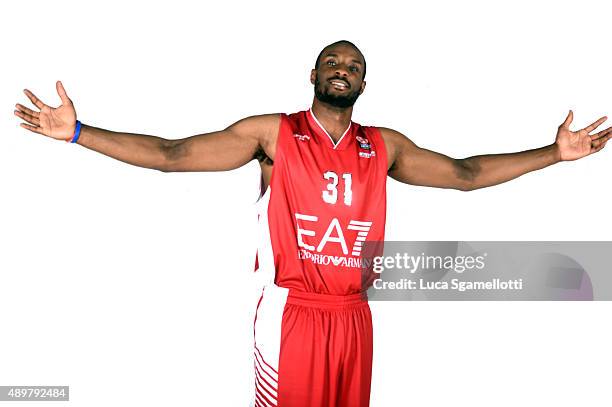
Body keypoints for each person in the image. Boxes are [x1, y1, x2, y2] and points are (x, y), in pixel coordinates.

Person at [14, 40, 611, 407]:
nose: (342, 68)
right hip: (292, 316)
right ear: (315, 74)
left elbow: (464, 172)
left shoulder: (385, 144)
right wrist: (76, 132)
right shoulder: (273, 134)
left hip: (355, 316)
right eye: (332, 61)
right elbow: (173, 155)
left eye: (353, 64)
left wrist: (553, 154)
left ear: (363, 82)